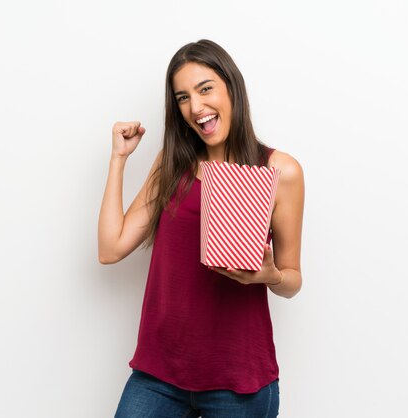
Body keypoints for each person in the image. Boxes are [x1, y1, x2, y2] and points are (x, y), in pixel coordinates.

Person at [98, 39, 304, 418]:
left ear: (232, 87)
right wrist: (118, 159)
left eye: (205, 89)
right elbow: (110, 249)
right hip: (158, 375)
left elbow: (292, 280)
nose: (196, 107)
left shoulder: (280, 170)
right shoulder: (172, 164)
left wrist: (269, 275)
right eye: (182, 97)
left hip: (239, 381)